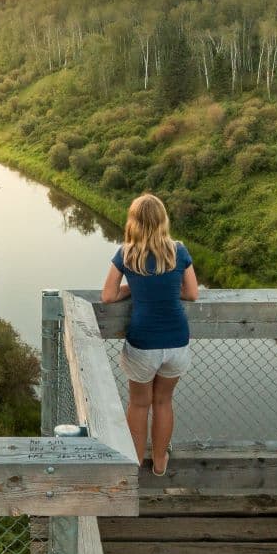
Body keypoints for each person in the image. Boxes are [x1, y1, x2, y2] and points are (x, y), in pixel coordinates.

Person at [101, 193, 198, 476]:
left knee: (139, 403)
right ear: (163, 220)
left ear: (134, 222)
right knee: (164, 402)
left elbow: (107, 296)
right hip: (176, 342)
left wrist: (131, 288)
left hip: (143, 343)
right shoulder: (178, 251)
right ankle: (159, 463)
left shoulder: (127, 253)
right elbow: (192, 293)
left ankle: (134, 464)